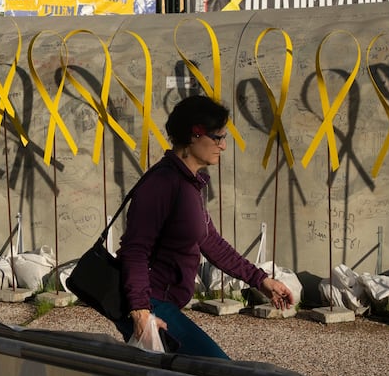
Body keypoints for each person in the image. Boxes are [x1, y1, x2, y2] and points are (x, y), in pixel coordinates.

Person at [118, 95, 293, 358]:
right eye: (218, 137)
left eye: (225, 137)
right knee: (217, 373)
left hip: (163, 304)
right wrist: (141, 312)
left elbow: (211, 242)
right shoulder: (163, 183)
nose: (223, 145)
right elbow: (135, 250)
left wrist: (261, 280)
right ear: (195, 135)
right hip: (151, 305)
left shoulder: (189, 184)